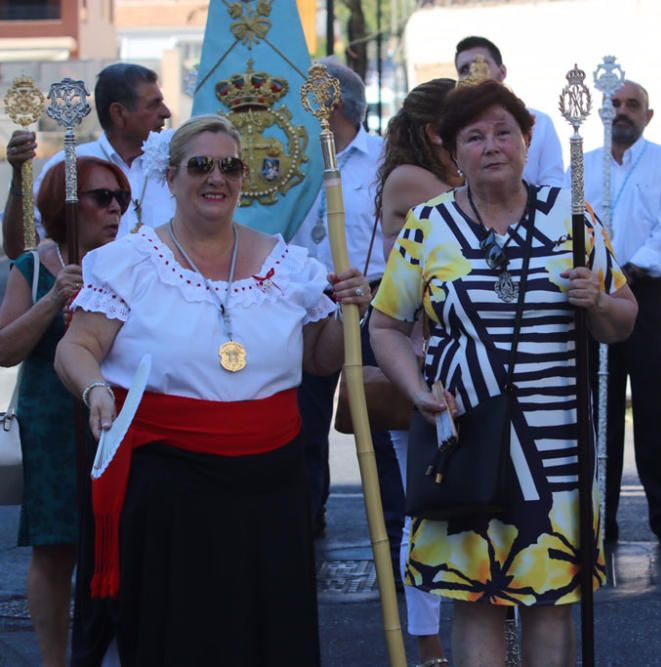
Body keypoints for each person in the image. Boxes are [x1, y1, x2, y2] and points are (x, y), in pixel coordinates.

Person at [52, 114, 370, 664]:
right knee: (181, 635)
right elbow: (76, 348)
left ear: (244, 179)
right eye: (200, 165)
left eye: (230, 166)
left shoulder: (290, 265)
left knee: (267, 634)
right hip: (170, 485)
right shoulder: (129, 264)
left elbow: (322, 361)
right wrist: (95, 390)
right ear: (172, 176)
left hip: (271, 484)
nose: (215, 177)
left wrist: (352, 315)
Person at [370, 80, 636, 666]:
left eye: (503, 132)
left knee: (550, 599)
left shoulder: (573, 219)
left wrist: (599, 301)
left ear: (526, 139)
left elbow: (623, 321)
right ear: (450, 150)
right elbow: (385, 325)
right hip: (464, 437)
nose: (491, 146)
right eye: (474, 136)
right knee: (476, 597)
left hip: (556, 443)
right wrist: (416, 391)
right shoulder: (427, 225)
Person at [0, 156, 126, 667]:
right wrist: (54, 297)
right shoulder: (32, 267)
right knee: (55, 549)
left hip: (116, 416)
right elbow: (5, 350)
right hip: (51, 419)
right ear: (66, 207)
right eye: (102, 198)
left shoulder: (136, 264)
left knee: (122, 544)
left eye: (121, 198)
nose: (114, 208)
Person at [288, 57, 402, 543]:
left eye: (315, 92)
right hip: (306, 300)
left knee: (377, 418)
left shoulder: (384, 161)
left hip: (373, 297)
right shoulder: (292, 161)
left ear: (336, 104)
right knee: (302, 422)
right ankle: (304, 521)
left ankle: (395, 532)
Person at [580, 79, 661, 549]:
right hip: (593, 292)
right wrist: (598, 275)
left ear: (648, 115)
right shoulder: (582, 166)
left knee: (654, 403)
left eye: (632, 105)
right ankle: (599, 516)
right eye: (614, 104)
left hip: (643, 288)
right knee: (596, 403)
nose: (622, 111)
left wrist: (627, 269)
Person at [374, 76, 461, 667]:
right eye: (467, 128)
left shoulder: (426, 176)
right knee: (423, 510)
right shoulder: (414, 181)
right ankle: (428, 646)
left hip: (451, 353)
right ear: (437, 132)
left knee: (469, 499)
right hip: (420, 353)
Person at [3, 63, 173, 259]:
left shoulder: (179, 164)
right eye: (154, 104)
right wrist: (19, 175)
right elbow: (22, 251)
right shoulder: (70, 165)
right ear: (118, 113)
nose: (166, 112)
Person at [454, 36, 564, 188]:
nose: (474, 73)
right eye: (465, 69)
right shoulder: (455, 126)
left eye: (482, 65)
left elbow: (553, 181)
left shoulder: (540, 122)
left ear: (502, 72)